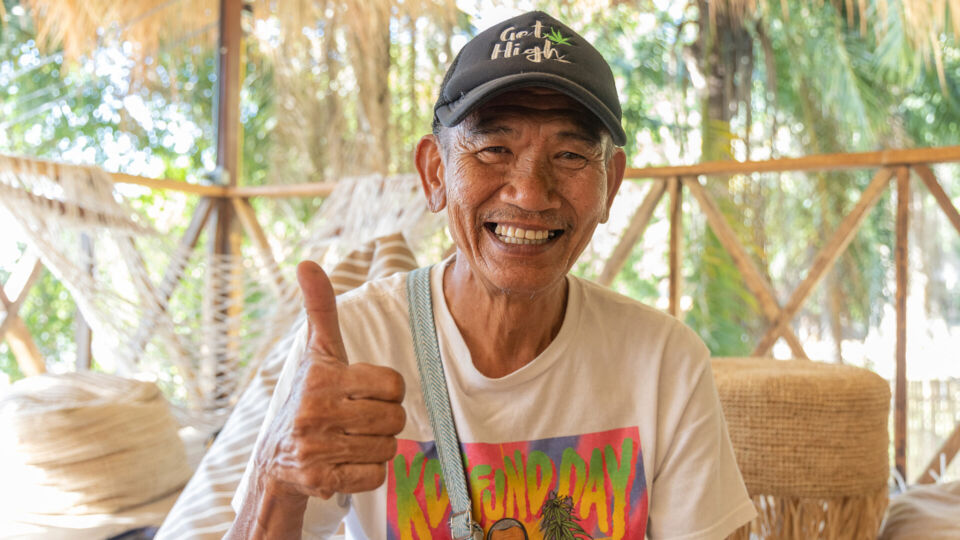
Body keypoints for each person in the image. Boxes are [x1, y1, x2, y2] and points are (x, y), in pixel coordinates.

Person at [228, 10, 756, 540]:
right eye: (493, 149)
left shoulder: (665, 363)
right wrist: (278, 481)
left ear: (610, 186)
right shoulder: (354, 342)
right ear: (435, 173)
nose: (529, 192)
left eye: (570, 154)